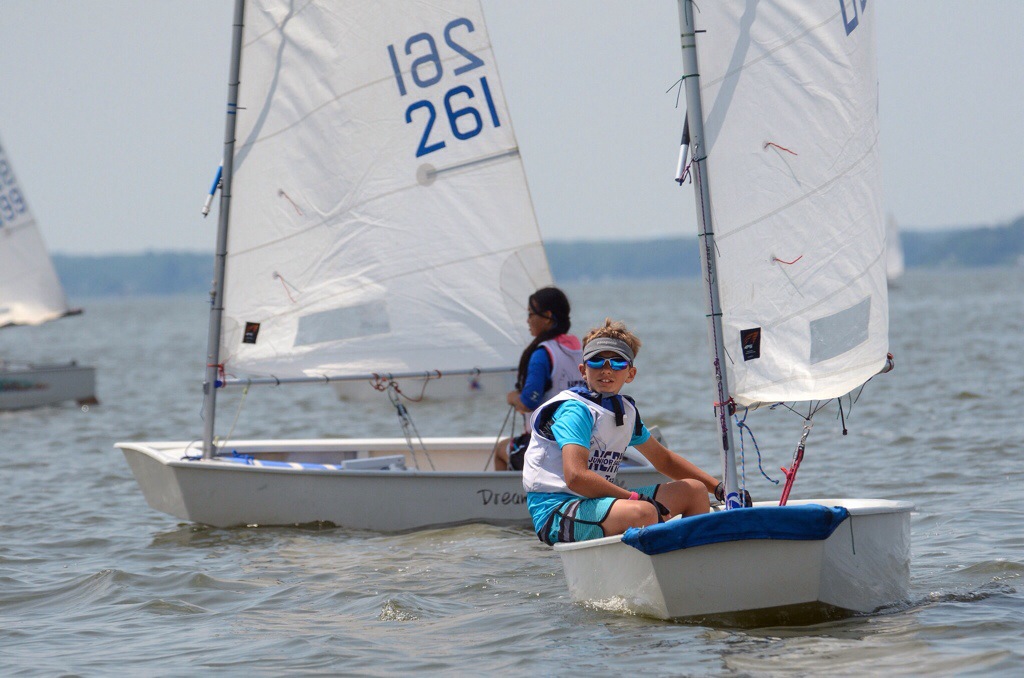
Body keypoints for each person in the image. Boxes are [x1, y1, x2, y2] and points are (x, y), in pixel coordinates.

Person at [522, 319, 743, 545]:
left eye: (617, 362)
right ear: (583, 371)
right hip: (556, 510)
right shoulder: (575, 411)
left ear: (631, 373)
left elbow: (664, 460)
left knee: (694, 491)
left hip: (595, 503)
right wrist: (634, 498)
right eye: (596, 361)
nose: (606, 369)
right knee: (643, 512)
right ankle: (661, 562)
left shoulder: (625, 411)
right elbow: (576, 477)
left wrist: (720, 489)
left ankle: (691, 559)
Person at [494, 287, 585, 471]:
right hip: (580, 440)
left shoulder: (543, 353)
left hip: (547, 445)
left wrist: (512, 397)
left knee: (500, 450)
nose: (527, 320)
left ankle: (515, 491)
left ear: (547, 316)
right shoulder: (579, 348)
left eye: (530, 314)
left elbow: (528, 402)